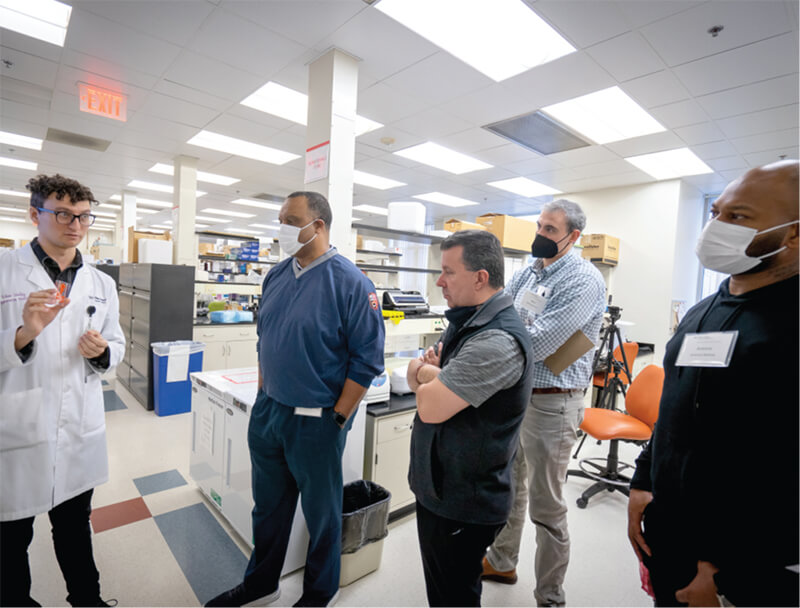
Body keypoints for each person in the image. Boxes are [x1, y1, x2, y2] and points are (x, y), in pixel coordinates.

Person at [627, 160, 799, 607]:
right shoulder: (703, 311)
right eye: (716, 212)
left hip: (743, 569)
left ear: (794, 233)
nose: (718, 226)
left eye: (738, 216)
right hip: (671, 536)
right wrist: (642, 484)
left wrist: (724, 573)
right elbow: (676, 411)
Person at [206, 192, 385, 608]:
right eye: (281, 219)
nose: (282, 228)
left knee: (322, 516)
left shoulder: (352, 284)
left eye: (291, 220)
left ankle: (321, 591)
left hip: (317, 420)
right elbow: (265, 339)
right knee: (266, 509)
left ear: (318, 225)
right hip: (269, 413)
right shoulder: (276, 276)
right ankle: (261, 583)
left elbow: (366, 362)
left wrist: (337, 419)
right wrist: (263, 395)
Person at [0, 174, 125, 607]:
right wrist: (21, 334)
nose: (75, 224)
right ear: (35, 214)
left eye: (83, 216)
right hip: (17, 428)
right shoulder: (4, 271)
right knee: (10, 535)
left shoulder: (102, 284)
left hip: (77, 430)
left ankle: (86, 600)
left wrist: (103, 353)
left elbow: (118, 345)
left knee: (74, 526)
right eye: (63, 214)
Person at [481, 199, 606, 607]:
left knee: (547, 506)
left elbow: (537, 342)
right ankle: (502, 561)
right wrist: (508, 332)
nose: (541, 235)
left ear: (573, 237)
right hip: (518, 395)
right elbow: (498, 314)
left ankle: (549, 596)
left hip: (554, 403)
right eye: (539, 226)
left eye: (550, 230)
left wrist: (506, 336)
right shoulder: (529, 271)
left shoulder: (583, 280)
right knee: (511, 485)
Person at [407, 229, 534, 607]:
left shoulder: (497, 340)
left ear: (480, 278)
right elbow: (416, 368)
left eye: (448, 271)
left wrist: (433, 376)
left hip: (464, 500)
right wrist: (434, 375)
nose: (439, 281)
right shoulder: (467, 320)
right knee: (444, 589)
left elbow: (429, 405)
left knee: (454, 596)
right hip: (440, 488)